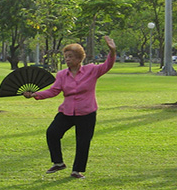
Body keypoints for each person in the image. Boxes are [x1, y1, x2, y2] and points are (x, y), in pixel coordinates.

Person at [24, 36, 116, 179]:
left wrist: (112, 51)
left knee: (83, 141)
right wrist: (36, 94)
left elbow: (107, 66)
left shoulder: (91, 70)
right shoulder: (62, 75)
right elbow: (53, 91)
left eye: (70, 56)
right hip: (67, 111)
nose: (67, 59)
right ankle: (58, 163)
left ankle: (76, 171)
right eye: (66, 56)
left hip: (86, 112)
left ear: (79, 59)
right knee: (52, 132)